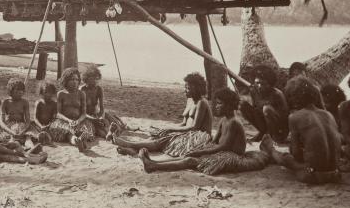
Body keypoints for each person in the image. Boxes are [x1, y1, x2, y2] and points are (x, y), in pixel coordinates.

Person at [139, 88, 269, 175]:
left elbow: (225, 146)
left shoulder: (234, 122)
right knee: (190, 155)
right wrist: (199, 148)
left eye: (219, 104)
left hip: (231, 156)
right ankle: (155, 163)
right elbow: (214, 141)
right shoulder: (224, 120)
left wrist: (201, 152)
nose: (216, 106)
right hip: (221, 151)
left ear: (229, 105)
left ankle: (154, 166)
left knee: (191, 161)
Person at [259, 77, 342, 184]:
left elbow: (296, 153)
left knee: (285, 158)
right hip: (335, 173)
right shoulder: (328, 114)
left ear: (293, 98)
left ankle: (269, 149)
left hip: (313, 175)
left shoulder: (295, 117)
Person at [110, 72, 212, 157]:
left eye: (188, 88)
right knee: (159, 134)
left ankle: (130, 144)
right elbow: (184, 123)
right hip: (187, 131)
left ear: (196, 89)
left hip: (198, 135)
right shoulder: (190, 100)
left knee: (164, 140)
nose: (185, 90)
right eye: (185, 87)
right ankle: (133, 150)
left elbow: (194, 127)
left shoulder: (201, 103)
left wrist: (171, 130)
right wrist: (167, 128)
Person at [47, 67, 95, 152]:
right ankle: (76, 141)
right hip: (64, 121)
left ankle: (80, 140)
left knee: (85, 130)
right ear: (66, 80)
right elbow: (58, 113)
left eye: (76, 79)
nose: (74, 82)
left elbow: (84, 113)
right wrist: (68, 120)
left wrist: (78, 121)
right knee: (67, 132)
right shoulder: (61, 94)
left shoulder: (81, 94)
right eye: (72, 79)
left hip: (79, 121)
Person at [239, 65, 289, 143]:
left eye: (263, 84)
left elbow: (285, 119)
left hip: (280, 130)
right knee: (242, 105)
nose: (259, 86)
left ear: (269, 83)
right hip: (265, 125)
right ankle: (263, 133)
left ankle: (273, 137)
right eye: (257, 83)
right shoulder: (254, 92)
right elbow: (256, 111)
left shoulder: (277, 94)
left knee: (267, 109)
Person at [80, 65, 126, 138]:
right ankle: (108, 135)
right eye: (93, 78)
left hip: (96, 113)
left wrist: (100, 117)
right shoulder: (82, 90)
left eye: (97, 78)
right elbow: (81, 111)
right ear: (86, 79)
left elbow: (102, 108)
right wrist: (93, 119)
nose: (95, 81)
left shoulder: (99, 89)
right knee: (96, 128)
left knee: (108, 122)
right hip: (85, 116)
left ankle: (112, 131)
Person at [0, 78, 33, 146]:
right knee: (8, 136)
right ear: (11, 91)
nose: (20, 92)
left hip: (22, 125)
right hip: (9, 126)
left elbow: (28, 121)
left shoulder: (25, 102)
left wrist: (23, 131)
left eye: (22, 90)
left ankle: (29, 143)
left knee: (29, 133)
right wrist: (11, 132)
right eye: (17, 90)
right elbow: (1, 122)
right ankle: (13, 142)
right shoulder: (5, 102)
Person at [32, 81, 58, 145]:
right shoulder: (39, 103)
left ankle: (46, 137)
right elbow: (35, 118)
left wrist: (49, 125)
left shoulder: (54, 104)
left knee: (56, 129)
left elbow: (54, 118)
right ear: (42, 92)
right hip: (38, 125)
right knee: (31, 127)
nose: (48, 94)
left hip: (49, 126)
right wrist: (41, 126)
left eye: (50, 92)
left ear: (53, 93)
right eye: (46, 92)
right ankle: (41, 137)